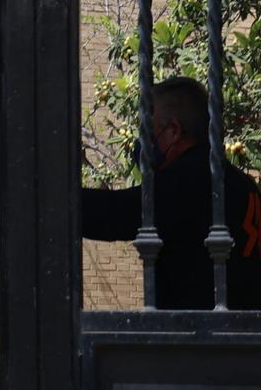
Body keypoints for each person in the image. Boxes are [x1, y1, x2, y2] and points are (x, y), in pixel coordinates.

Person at [82, 77, 261, 309]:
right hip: (242, 333)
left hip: (201, 336)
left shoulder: (192, 179)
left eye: (150, 129)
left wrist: (51, 197)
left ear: (174, 130)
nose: (143, 140)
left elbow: (116, 214)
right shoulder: (240, 181)